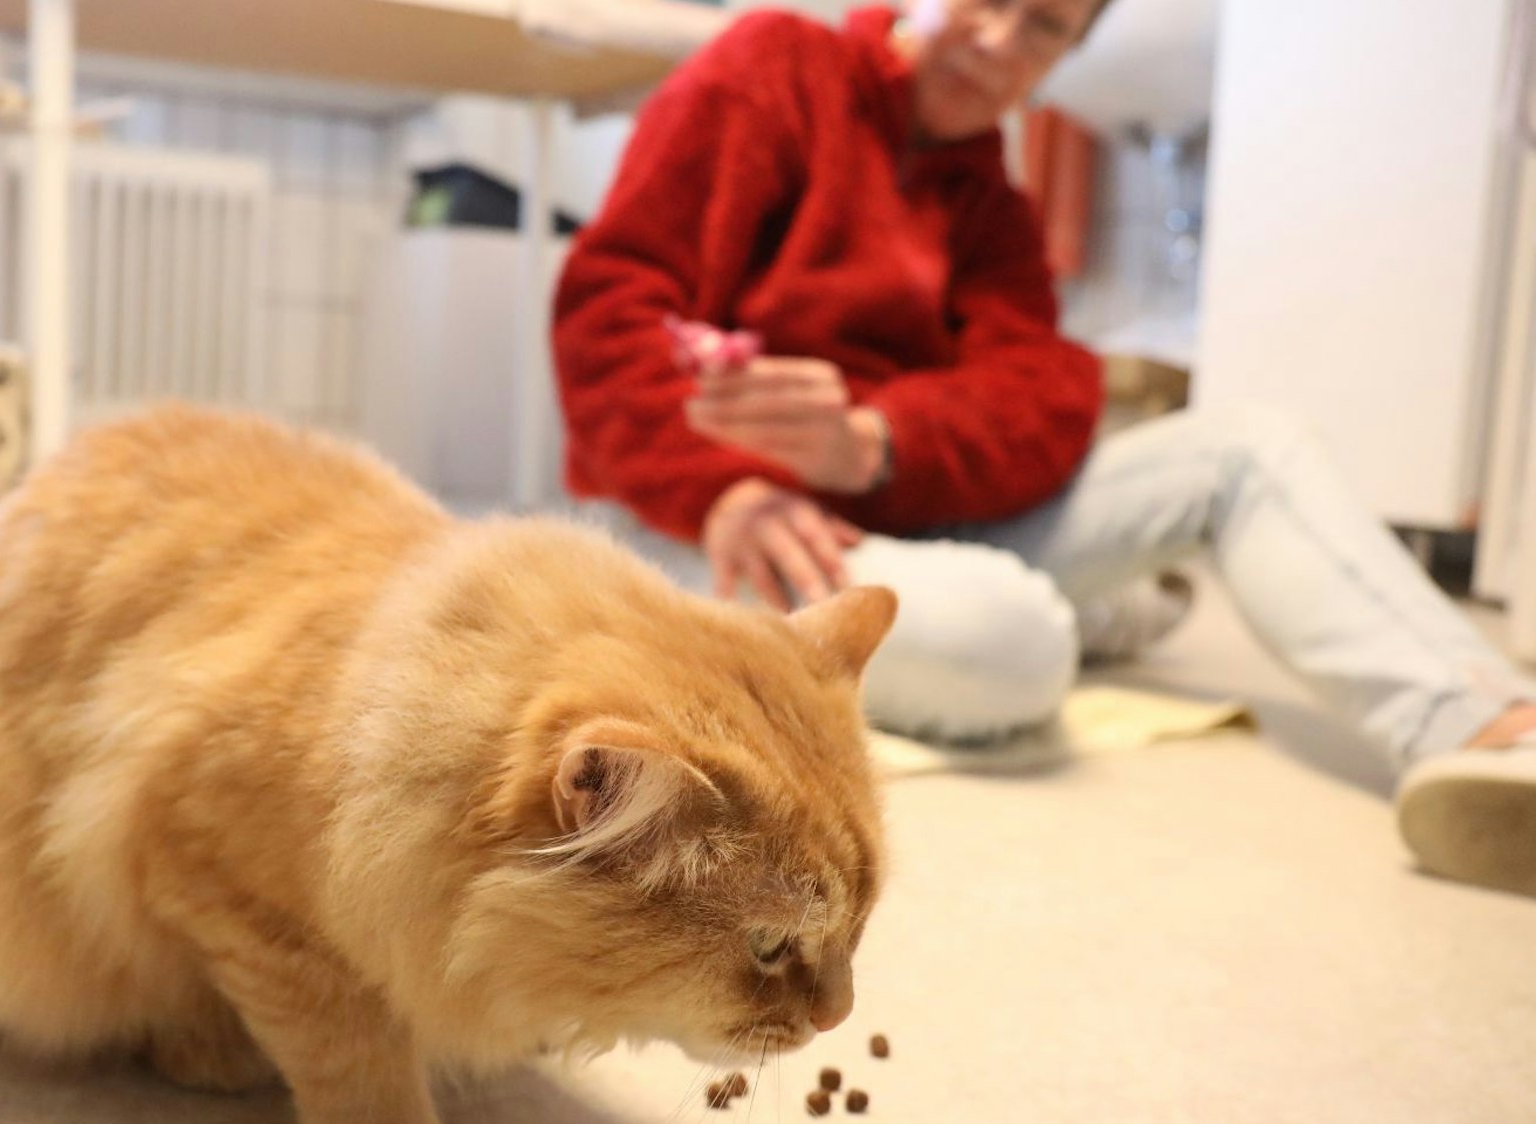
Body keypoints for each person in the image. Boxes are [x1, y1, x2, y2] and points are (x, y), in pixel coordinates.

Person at [551, 0, 1536, 898]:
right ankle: (1094, 610)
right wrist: (721, 487)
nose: (999, 44)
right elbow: (608, 311)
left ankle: (1483, 729)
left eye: (1046, 27)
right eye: (985, 1)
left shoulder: (992, 203)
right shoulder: (772, 65)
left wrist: (876, 440)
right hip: (743, 519)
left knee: (1251, 446)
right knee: (1013, 645)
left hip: (901, 503)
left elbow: (1050, 393)